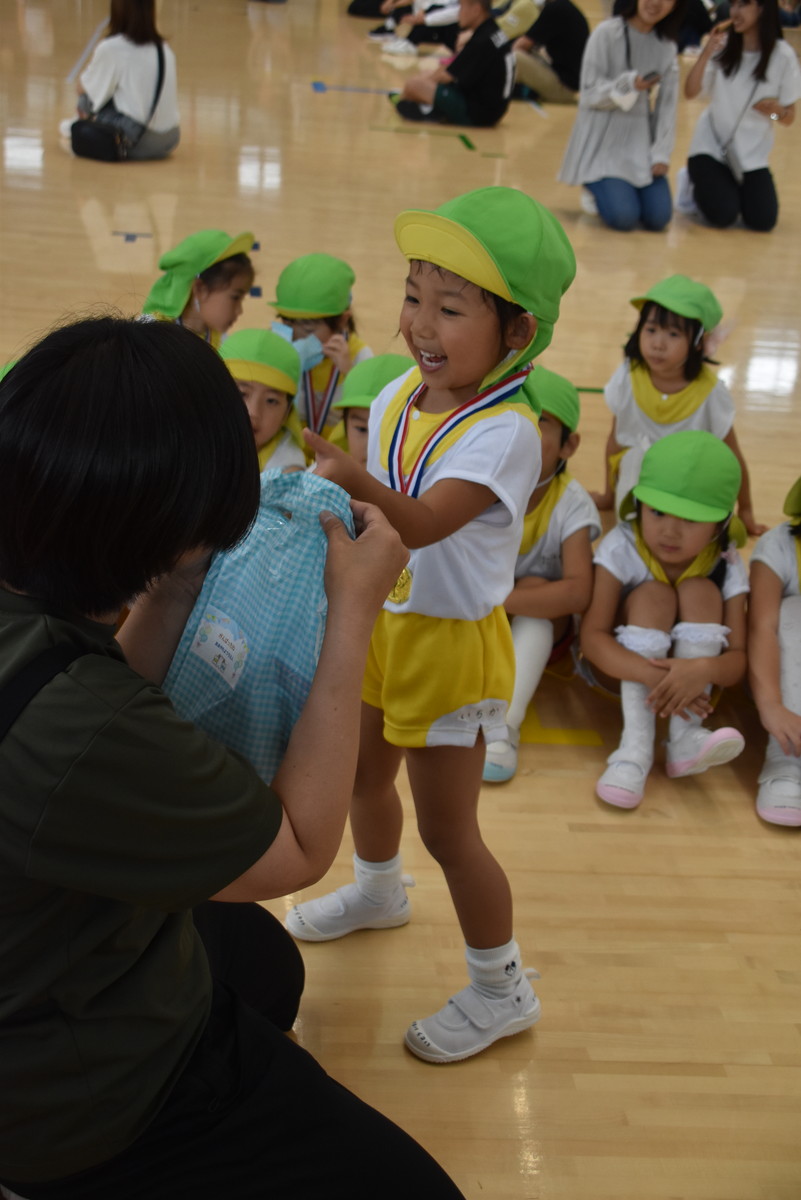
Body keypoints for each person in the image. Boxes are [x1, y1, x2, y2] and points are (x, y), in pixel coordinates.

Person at [0, 317, 469, 1200]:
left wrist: (176, 578)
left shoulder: (43, 639)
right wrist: (351, 615)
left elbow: (85, 674)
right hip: (71, 1105)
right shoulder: (91, 730)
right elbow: (296, 846)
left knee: (261, 965)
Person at [285, 186, 576, 1064]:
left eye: (450, 308)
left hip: (450, 650)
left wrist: (347, 477)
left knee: (449, 832)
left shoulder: (510, 433)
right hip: (382, 626)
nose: (420, 324)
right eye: (413, 296)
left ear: (516, 334)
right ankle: (378, 892)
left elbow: (416, 522)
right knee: (364, 783)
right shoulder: (404, 398)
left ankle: (502, 989)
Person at [580, 431, 748, 810]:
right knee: (655, 594)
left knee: (699, 591)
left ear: (720, 525)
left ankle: (684, 739)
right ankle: (634, 750)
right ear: (638, 505)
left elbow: (737, 659)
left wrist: (700, 667)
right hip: (620, 672)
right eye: (656, 511)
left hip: (696, 688)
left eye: (690, 519)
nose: (669, 530)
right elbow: (592, 638)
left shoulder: (727, 561)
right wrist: (652, 674)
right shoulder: (621, 545)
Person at [483, 366, 601, 782]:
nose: (523, 431)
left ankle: (503, 728)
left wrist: (496, 597)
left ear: (569, 445)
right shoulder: (480, 480)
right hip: (477, 620)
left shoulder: (572, 503)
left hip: (532, 624)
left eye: (540, 422)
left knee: (537, 591)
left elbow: (577, 593)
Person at [592, 275, 766, 536]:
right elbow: (616, 441)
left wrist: (747, 511)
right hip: (639, 473)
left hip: (688, 479)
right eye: (651, 330)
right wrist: (609, 494)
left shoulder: (710, 393)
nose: (658, 344)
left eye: (673, 334)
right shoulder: (627, 376)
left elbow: (732, 457)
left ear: (699, 342)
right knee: (632, 526)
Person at [558, 0, 686, 231]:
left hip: (639, 142)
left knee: (658, 218)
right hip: (602, 142)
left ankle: (621, 189)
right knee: (623, 218)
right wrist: (629, 85)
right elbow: (589, 95)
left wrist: (661, 154)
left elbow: (667, 107)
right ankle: (594, 183)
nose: (655, 3)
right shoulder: (606, 34)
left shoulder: (666, 47)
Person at [684, 0, 801, 231]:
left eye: (743, 5)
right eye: (733, 5)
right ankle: (694, 183)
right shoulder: (723, 46)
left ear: (761, 9)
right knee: (722, 216)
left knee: (762, 221)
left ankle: (727, 187)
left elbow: (788, 119)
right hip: (712, 148)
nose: (735, 12)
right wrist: (706, 53)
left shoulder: (783, 56)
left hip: (751, 156)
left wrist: (775, 113)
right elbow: (690, 92)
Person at [747, 475, 801, 826]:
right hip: (779, 671)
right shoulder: (777, 546)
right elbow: (760, 627)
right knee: (793, 612)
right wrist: (772, 705)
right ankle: (787, 759)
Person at [270, 253, 373, 436]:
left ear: (342, 320)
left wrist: (351, 376)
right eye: (288, 325)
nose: (297, 338)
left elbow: (370, 422)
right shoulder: (277, 346)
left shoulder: (359, 357)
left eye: (308, 331)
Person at [69, 0, 179, 160]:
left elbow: (81, 88)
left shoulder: (111, 48)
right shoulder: (163, 48)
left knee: (85, 100)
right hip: (170, 138)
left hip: (138, 140)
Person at [393, 0, 516, 124]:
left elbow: (445, 76)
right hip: (492, 108)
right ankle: (427, 105)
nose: (458, 14)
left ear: (476, 10)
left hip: (478, 114)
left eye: (461, 8)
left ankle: (422, 106)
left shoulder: (482, 41)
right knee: (426, 75)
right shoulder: (492, 31)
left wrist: (416, 87)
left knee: (414, 85)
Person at [142, 229, 255, 350]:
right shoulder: (149, 337)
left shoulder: (220, 340)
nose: (239, 311)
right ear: (201, 289)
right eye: (235, 297)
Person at [219, 328, 306, 472]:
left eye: (271, 401)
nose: (253, 412)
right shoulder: (190, 443)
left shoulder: (287, 472)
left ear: (287, 413)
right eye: (241, 394)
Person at [329, 353, 414, 465]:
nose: (372, 446)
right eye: (362, 429)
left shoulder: (436, 479)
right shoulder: (326, 476)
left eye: (391, 431)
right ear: (345, 428)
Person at [509, 0, 590, 103]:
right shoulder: (564, 6)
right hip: (567, 81)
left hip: (565, 88)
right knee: (527, 54)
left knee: (514, 58)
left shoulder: (556, 9)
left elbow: (521, 45)